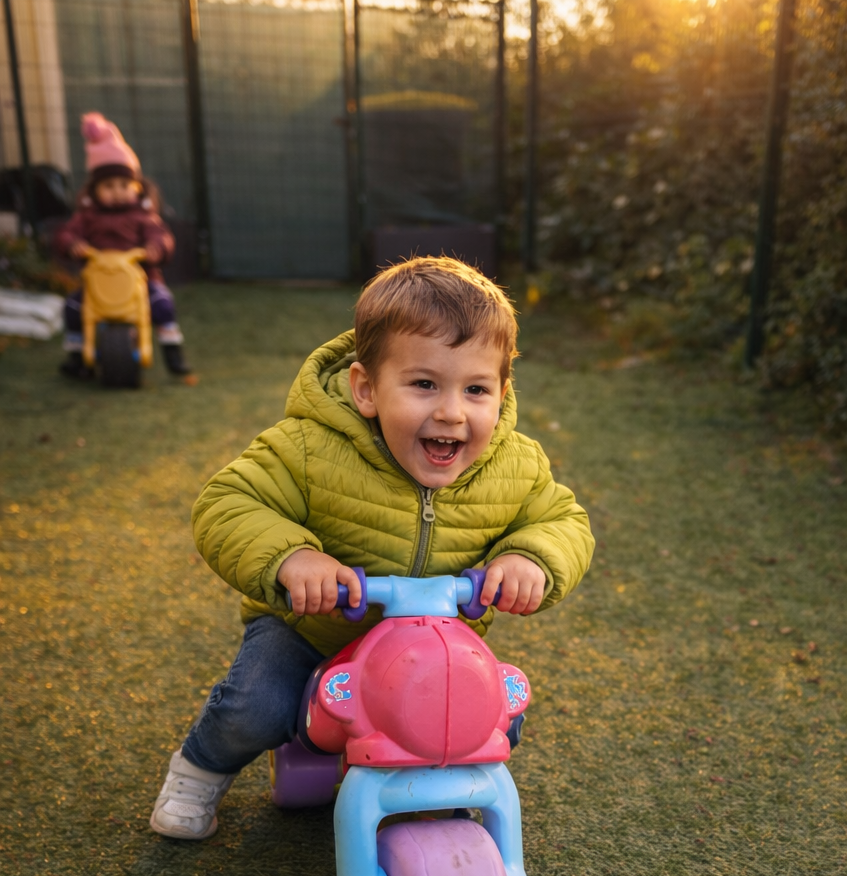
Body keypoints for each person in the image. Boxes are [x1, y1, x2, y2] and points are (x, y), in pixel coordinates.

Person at [150, 255, 594, 839]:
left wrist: (531, 557)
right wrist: (293, 559)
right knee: (256, 705)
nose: (452, 412)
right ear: (366, 388)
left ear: (502, 391)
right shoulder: (308, 447)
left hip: (435, 648)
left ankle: (443, 789)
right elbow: (228, 502)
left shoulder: (513, 463)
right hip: (311, 631)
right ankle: (200, 770)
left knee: (492, 722)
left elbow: (563, 518)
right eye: (423, 384)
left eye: (477, 389)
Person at [53, 113, 193, 380]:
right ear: (94, 191)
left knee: (162, 302)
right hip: (97, 283)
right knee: (73, 307)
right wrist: (72, 244)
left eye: (124, 185)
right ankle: (76, 354)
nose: (117, 191)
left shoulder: (144, 216)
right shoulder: (87, 217)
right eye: (108, 186)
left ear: (137, 187)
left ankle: (172, 348)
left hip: (140, 281)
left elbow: (161, 236)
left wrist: (155, 248)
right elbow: (65, 234)